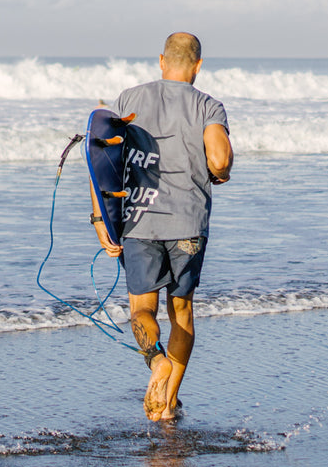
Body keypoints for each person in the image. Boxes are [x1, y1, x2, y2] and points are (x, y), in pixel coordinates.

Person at [92, 32, 233, 421]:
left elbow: (99, 160)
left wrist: (100, 218)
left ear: (161, 60)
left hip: (139, 222)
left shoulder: (128, 100)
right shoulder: (207, 105)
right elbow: (219, 160)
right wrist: (221, 172)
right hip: (188, 225)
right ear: (198, 65)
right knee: (181, 311)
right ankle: (168, 403)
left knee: (142, 309)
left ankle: (156, 362)